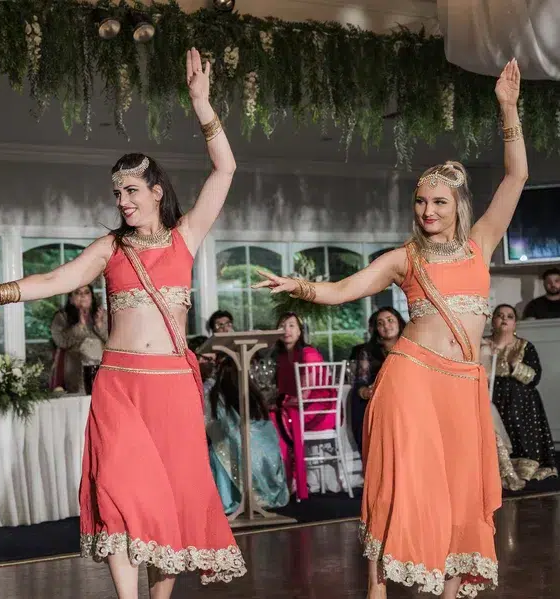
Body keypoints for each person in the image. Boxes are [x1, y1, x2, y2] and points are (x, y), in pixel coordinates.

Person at [0, 48, 245, 598]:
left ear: (156, 191)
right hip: (120, 385)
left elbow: (225, 169)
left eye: (131, 190)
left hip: (173, 385)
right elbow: (55, 280)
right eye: (116, 193)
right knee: (121, 492)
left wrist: (203, 105)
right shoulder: (110, 248)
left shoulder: (186, 238)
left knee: (167, 501)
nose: (122, 200)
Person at [253, 59, 526, 599]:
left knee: (460, 491)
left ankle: (449, 590)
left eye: (438, 202)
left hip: (464, 384)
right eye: (420, 201)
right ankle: (378, 590)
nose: (427, 209)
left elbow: (516, 176)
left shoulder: (482, 244)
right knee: (403, 485)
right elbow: (345, 289)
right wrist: (299, 286)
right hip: (413, 378)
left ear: (457, 206)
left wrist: (508, 109)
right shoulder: (405, 257)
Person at [481, 304, 556, 482]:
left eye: (509, 316)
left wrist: (516, 365)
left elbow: (534, 377)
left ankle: (520, 467)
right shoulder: (483, 344)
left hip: (520, 402)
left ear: (515, 323)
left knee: (517, 426)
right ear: (493, 321)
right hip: (490, 397)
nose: (504, 319)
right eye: (499, 315)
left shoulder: (524, 346)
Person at [204, 356, 288, 514]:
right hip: (264, 457)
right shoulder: (253, 393)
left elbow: (211, 427)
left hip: (234, 455)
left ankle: (229, 498)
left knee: (217, 451)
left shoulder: (214, 394)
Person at [269, 312, 336, 500]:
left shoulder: (308, 353)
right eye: (282, 326)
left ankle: (292, 478)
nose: (286, 330)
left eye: (291, 326)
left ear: (300, 331)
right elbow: (282, 392)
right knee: (271, 416)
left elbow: (305, 393)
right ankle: (283, 478)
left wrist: (281, 402)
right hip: (297, 409)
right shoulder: (281, 357)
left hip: (319, 410)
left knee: (276, 418)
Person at [350, 307, 405, 453]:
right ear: (376, 330)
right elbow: (360, 384)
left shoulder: (410, 348)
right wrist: (367, 392)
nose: (386, 326)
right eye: (380, 323)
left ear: (399, 323)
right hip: (379, 404)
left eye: (390, 320)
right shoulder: (367, 352)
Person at [49, 285, 108, 393]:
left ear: (92, 296)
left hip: (102, 369)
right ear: (71, 299)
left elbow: (114, 341)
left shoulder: (103, 315)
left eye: (86, 292)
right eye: (77, 293)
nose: (83, 296)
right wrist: (80, 326)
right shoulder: (61, 317)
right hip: (75, 370)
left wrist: (99, 325)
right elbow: (61, 342)